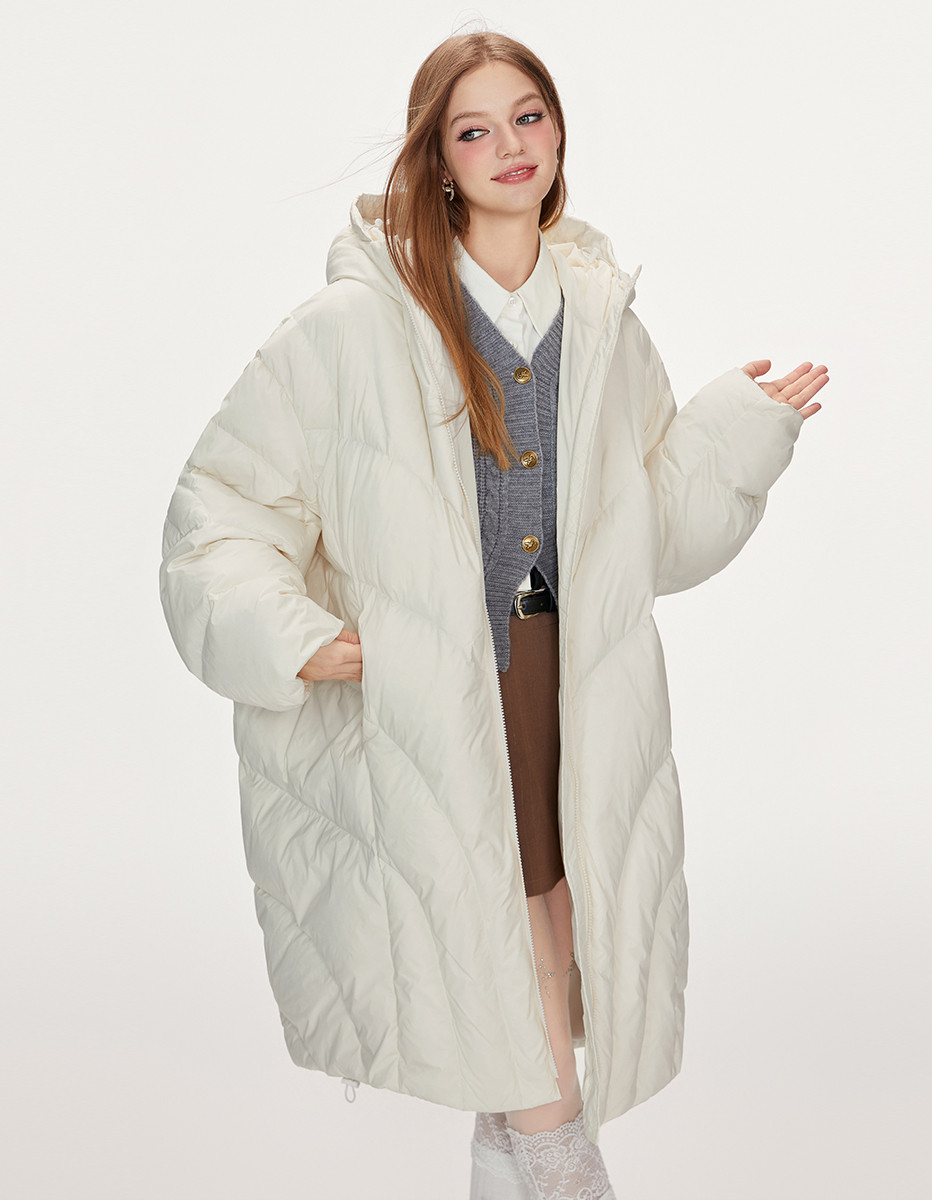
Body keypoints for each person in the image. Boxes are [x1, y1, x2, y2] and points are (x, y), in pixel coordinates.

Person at [158, 29, 826, 1200]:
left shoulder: (601, 318)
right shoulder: (352, 327)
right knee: (498, 909)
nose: (511, 145)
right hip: (436, 675)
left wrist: (739, 435)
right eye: (475, 129)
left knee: (555, 902)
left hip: (574, 667)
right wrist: (297, 636)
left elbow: (652, 532)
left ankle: (508, 1153)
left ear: (558, 128)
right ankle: (558, 1154)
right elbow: (221, 509)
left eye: (528, 116)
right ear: (440, 159)